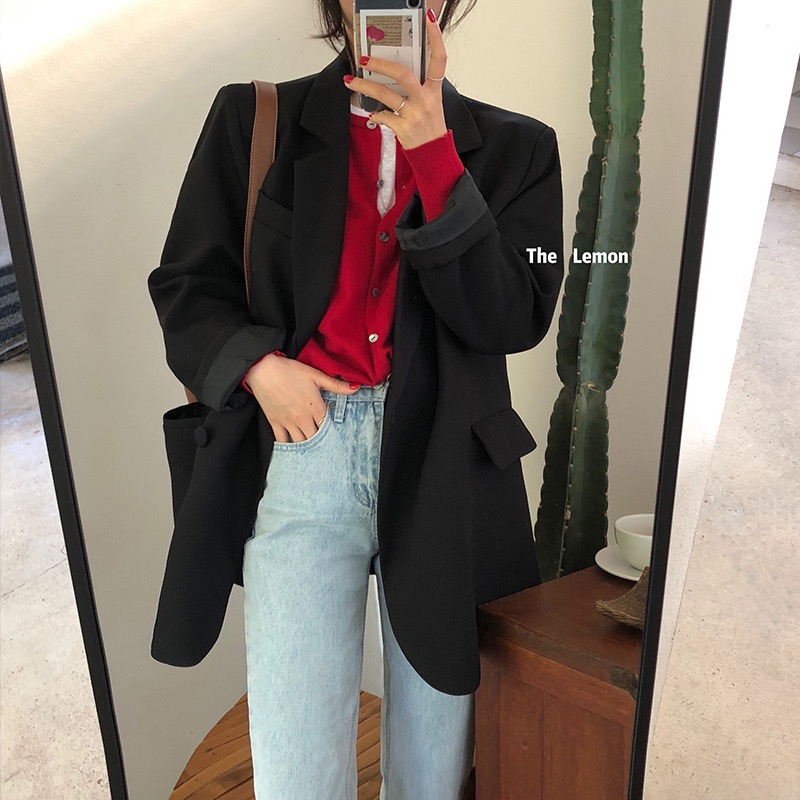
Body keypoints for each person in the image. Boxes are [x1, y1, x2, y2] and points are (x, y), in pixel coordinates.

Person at [147, 1, 564, 797]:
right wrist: (259, 370)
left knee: (436, 766)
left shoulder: (519, 148)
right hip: (300, 451)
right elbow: (187, 286)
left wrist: (435, 155)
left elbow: (514, 317)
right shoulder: (255, 120)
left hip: (444, 461)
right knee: (295, 765)